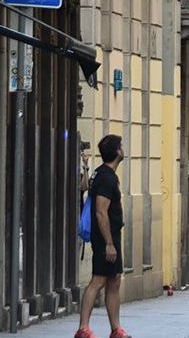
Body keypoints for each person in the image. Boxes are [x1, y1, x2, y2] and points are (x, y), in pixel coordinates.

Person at [75, 135, 132, 338]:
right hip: (105, 237)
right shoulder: (107, 177)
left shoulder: (101, 173)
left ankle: (116, 329)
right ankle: (83, 329)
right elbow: (101, 211)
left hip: (110, 235)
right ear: (117, 152)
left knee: (114, 279)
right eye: (121, 146)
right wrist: (109, 243)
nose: (123, 149)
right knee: (98, 280)